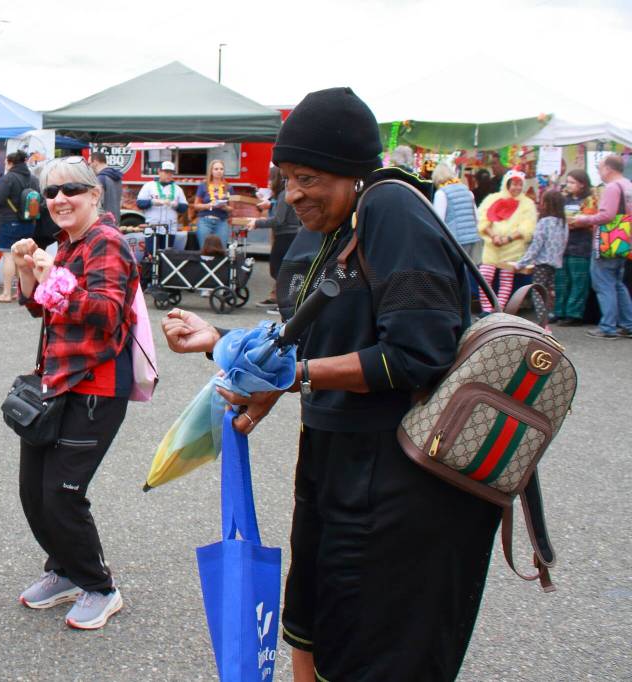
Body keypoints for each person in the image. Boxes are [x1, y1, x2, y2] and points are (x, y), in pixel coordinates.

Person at [162, 87, 502, 681]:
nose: (292, 194)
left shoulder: (391, 211)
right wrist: (227, 344)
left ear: (353, 172)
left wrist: (293, 376)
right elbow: (317, 335)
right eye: (287, 178)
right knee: (311, 622)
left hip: (400, 478)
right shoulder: (332, 227)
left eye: (308, 177)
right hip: (334, 459)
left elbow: (418, 354)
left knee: (374, 648)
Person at [10, 156, 138, 631]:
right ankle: (64, 571)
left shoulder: (107, 242)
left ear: (94, 194)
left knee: (62, 495)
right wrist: (28, 271)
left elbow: (107, 313)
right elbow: (41, 308)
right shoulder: (64, 243)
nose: (60, 199)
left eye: (71, 190)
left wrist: (55, 278)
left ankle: (100, 587)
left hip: (96, 387)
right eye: (51, 192)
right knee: (34, 493)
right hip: (55, 381)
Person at [570, 154, 632, 338]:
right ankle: (628, 324)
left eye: (600, 168)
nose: (598, 172)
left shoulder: (612, 187)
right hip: (623, 241)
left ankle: (608, 326)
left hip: (607, 241)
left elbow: (606, 215)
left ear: (608, 169)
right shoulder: (627, 185)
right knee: (618, 283)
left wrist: (583, 219)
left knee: (603, 283)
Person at [476, 169, 536, 313]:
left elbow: (527, 227)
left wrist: (508, 239)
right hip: (492, 246)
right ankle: (486, 309)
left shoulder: (527, 204)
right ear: (507, 184)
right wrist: (494, 236)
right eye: (514, 184)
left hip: (513, 247)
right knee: (485, 276)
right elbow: (483, 219)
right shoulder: (492, 199)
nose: (517, 187)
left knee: (506, 279)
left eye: (520, 184)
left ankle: (499, 310)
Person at [509, 190, 568, 331]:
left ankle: (543, 324)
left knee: (538, 292)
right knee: (549, 292)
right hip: (555, 263)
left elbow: (536, 246)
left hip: (541, 263)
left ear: (546, 204)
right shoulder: (563, 223)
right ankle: (548, 317)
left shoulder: (544, 222)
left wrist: (521, 263)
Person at [0, 150, 38, 302]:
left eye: (5, 162)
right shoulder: (33, 178)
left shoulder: (8, 178)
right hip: (29, 221)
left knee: (9, 256)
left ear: (10, 163)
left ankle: (6, 293)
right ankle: (23, 292)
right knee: (22, 256)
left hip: (9, 221)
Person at [249, 167, 301, 311]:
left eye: (270, 179)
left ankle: (284, 304)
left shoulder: (284, 195)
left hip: (286, 236)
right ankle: (281, 301)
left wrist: (257, 223)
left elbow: (279, 220)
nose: (269, 182)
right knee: (279, 269)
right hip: (287, 235)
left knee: (279, 270)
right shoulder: (283, 194)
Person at [554, 169, 596, 325]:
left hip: (581, 246)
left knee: (578, 281)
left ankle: (574, 314)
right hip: (563, 246)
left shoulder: (590, 200)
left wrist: (573, 222)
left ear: (582, 184)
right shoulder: (565, 200)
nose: (568, 185)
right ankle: (559, 311)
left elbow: (588, 220)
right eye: (568, 182)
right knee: (561, 280)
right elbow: (558, 218)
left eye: (572, 182)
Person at [432, 161, 482, 263]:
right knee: (469, 268)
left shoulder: (441, 193)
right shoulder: (467, 191)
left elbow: (439, 221)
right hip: (473, 238)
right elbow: (477, 217)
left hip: (455, 239)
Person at [135, 161, 188, 245]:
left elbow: (184, 208)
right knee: (151, 252)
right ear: (159, 171)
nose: (169, 175)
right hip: (152, 227)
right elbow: (139, 203)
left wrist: (175, 205)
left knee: (166, 252)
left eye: (171, 173)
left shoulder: (178, 189)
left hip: (170, 228)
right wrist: (152, 202)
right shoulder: (148, 186)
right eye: (166, 172)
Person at [193, 160, 232, 246]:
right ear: (211, 171)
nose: (219, 171)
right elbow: (196, 205)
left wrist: (224, 207)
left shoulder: (228, 187)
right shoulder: (203, 185)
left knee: (221, 249)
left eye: (221, 169)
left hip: (221, 221)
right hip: (205, 221)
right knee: (205, 249)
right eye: (216, 169)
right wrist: (209, 205)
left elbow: (232, 208)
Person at [89, 151, 123, 225]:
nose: (89, 166)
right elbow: (120, 201)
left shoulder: (100, 179)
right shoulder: (118, 178)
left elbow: (98, 205)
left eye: (89, 163)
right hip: (116, 221)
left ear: (95, 162)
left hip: (103, 223)